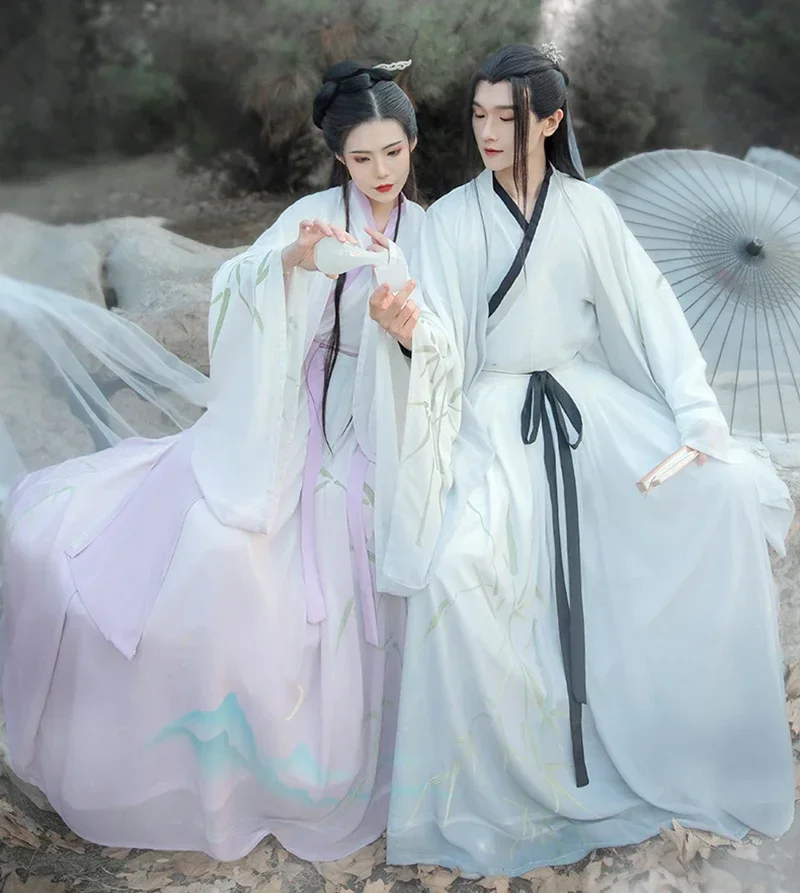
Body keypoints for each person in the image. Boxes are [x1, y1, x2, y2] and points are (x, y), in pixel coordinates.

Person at [367, 44, 795, 876]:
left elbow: (654, 313)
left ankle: (675, 731)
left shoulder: (589, 210)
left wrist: (698, 419)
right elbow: (443, 340)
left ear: (551, 121)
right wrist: (411, 336)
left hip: (587, 404)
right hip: (490, 412)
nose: (490, 132)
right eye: (479, 116)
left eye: (509, 116)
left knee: (722, 493)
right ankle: (497, 780)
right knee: (457, 567)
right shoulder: (450, 220)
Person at [1, 60, 424, 861]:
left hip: (381, 417)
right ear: (340, 157)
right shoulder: (310, 216)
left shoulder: (430, 232)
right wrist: (290, 265)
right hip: (287, 413)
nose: (381, 173)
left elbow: (446, 345)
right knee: (220, 550)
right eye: (362, 158)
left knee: (356, 545)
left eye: (394, 153)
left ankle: (330, 754)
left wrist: (405, 337)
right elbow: (236, 286)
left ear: (412, 144)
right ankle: (211, 764)